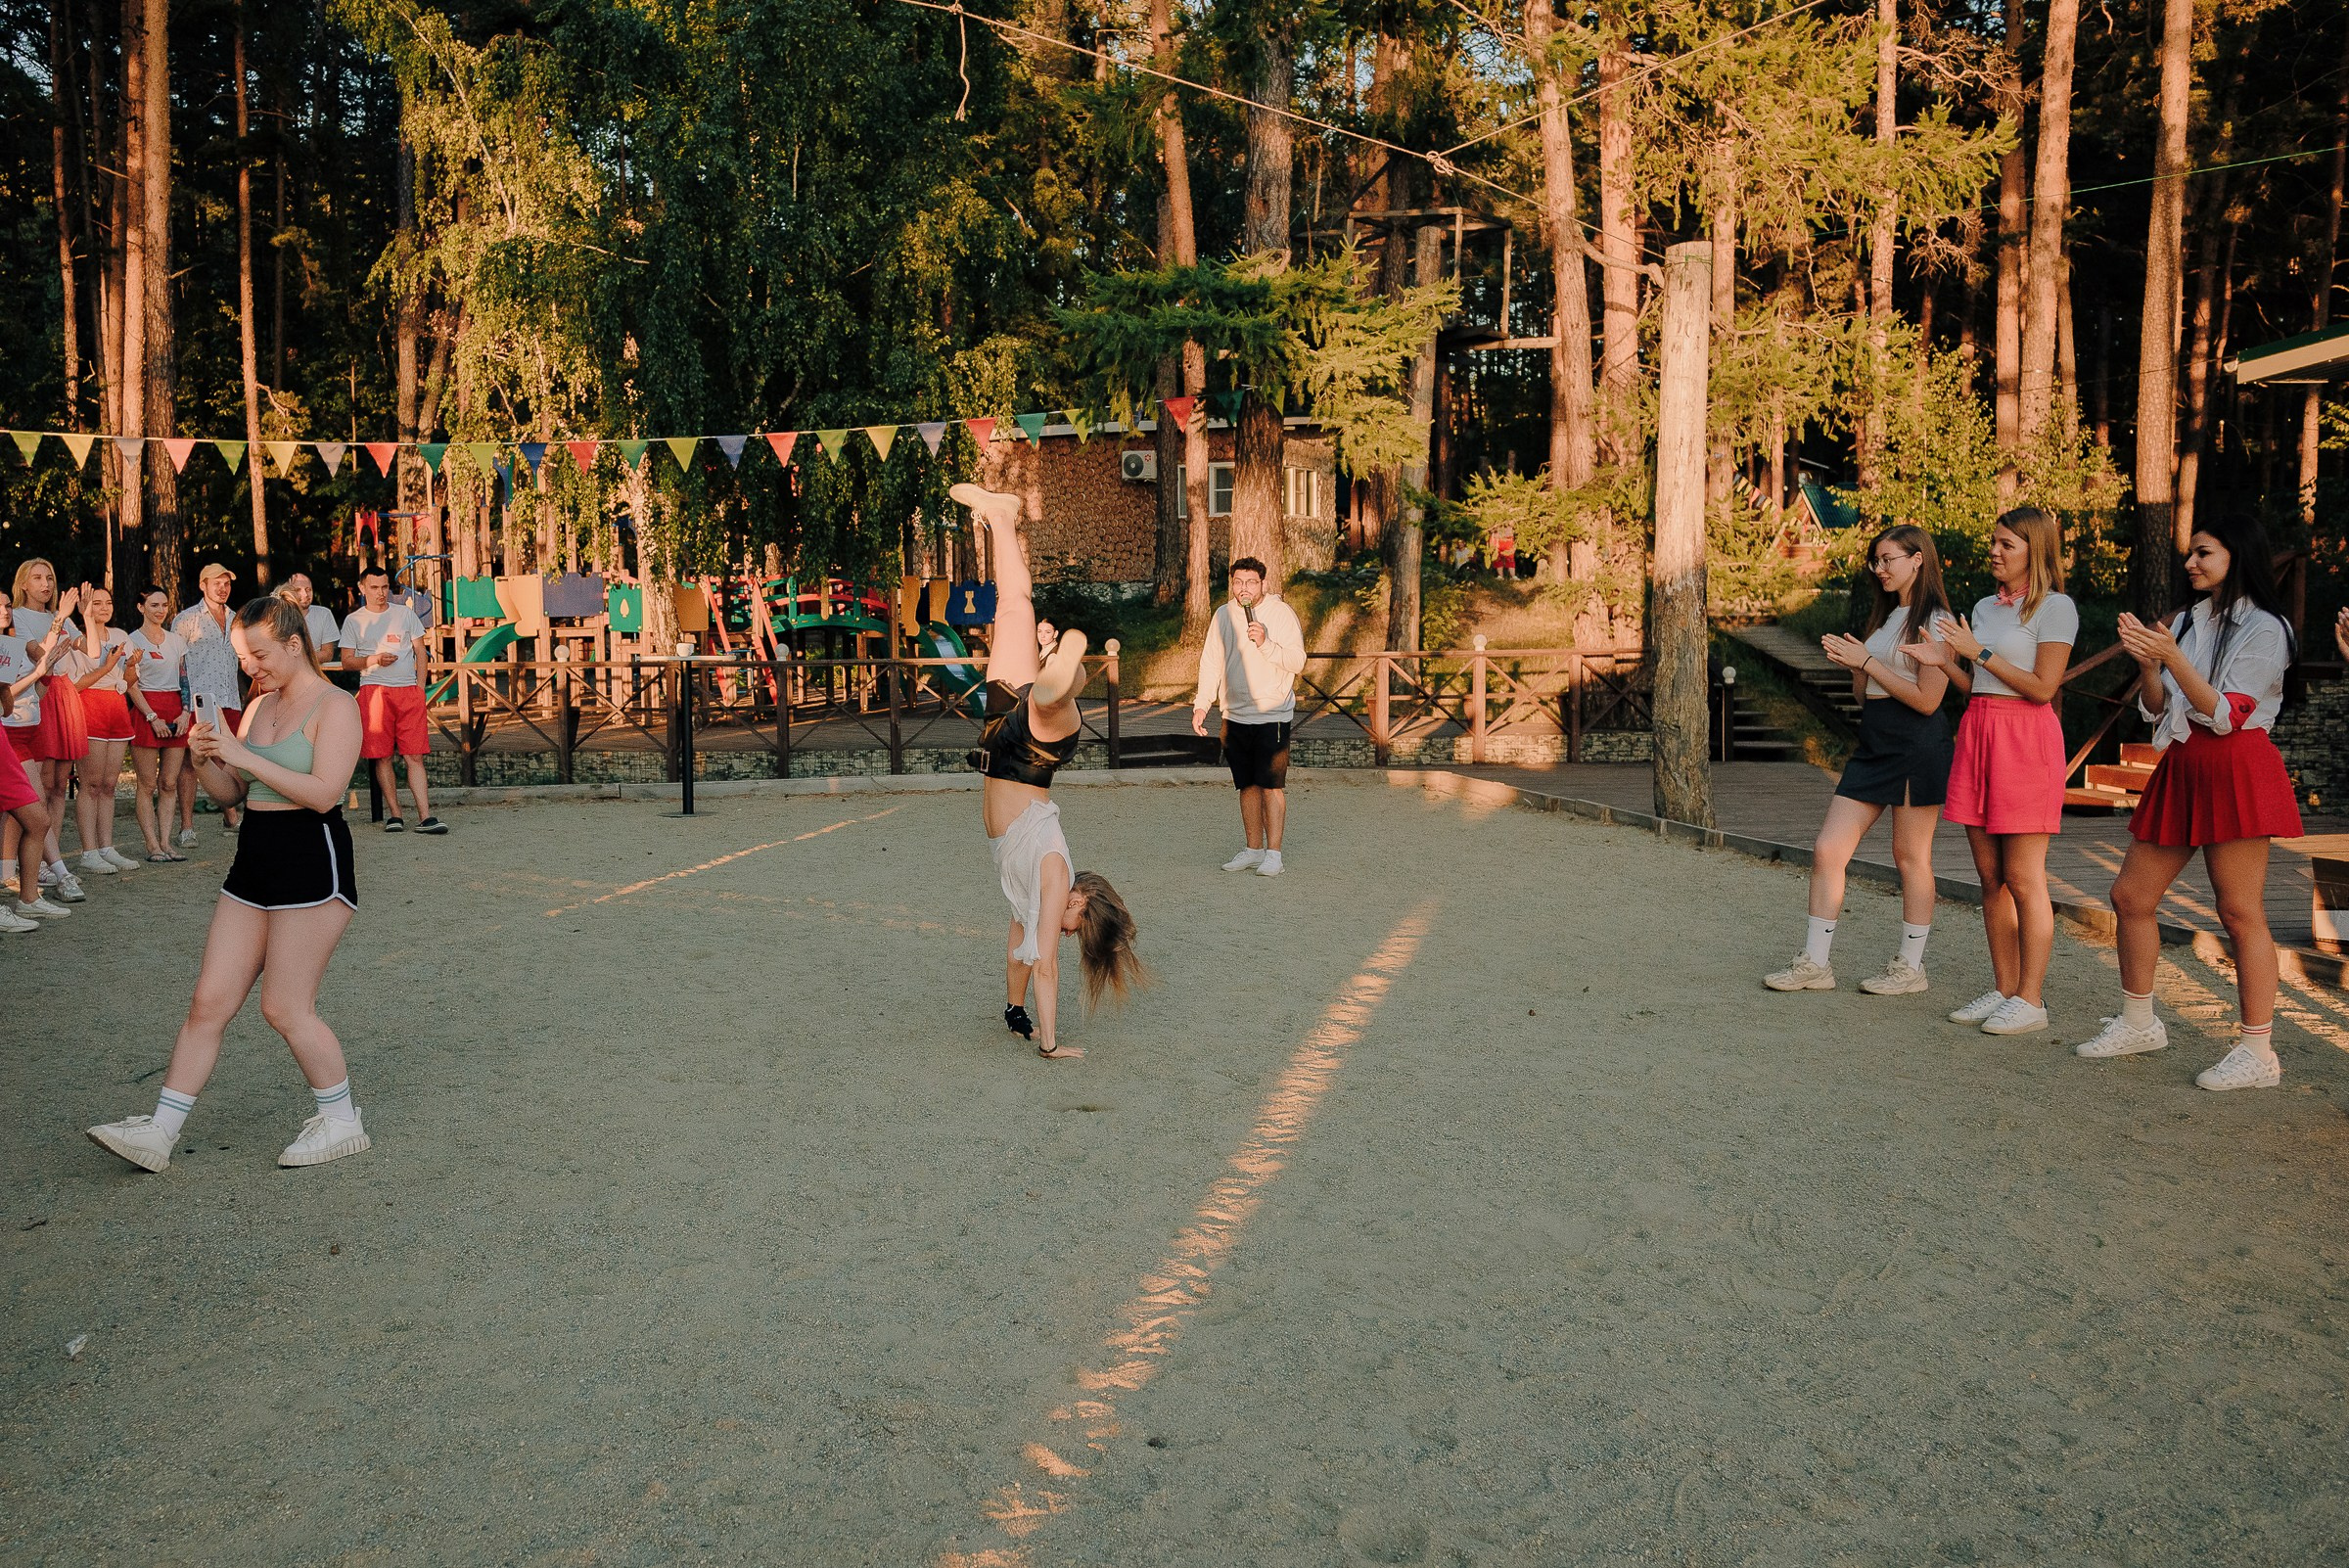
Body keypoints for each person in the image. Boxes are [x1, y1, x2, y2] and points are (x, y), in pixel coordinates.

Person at [87, 597, 372, 1173]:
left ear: (295, 644)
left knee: (285, 1006)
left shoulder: (337, 705)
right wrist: (209, 759)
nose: (251, 669)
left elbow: (324, 794)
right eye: (244, 658)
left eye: (259, 655)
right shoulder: (260, 704)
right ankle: (160, 1132)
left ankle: (342, 1119)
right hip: (254, 859)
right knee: (208, 1001)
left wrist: (243, 753)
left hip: (311, 858)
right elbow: (234, 795)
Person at [2074, 515, 2303, 1089]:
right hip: (2184, 763)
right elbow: (2158, 709)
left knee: (2239, 911)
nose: (2190, 564)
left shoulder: (2268, 628)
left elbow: (2228, 714)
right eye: (2190, 554)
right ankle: (2139, 1021)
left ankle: (2258, 1051)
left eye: (2203, 553)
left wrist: (2172, 656)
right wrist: (2150, 666)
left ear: (2238, 555)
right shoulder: (2188, 619)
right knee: (2130, 894)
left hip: (2237, 765)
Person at [950, 482, 1145, 1059]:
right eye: (1075, 925)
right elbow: (1048, 968)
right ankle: (1066, 672)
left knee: (1013, 608)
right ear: (1083, 902)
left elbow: (1020, 944)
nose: (1064, 930)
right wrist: (1051, 1044)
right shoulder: (1058, 876)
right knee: (1048, 705)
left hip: (999, 743)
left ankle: (1002, 519)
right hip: (1029, 759)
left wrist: (1015, 1013)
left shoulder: (1034, 896)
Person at [1911, 505, 2078, 1038]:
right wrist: (1947, 663)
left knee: (2025, 878)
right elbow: (1978, 685)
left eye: (2007, 544)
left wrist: (1975, 650)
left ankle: (2032, 999)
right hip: (1980, 731)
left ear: (2035, 548)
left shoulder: (2055, 608)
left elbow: (2042, 688)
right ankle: (2005, 987)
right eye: (1994, 542)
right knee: (1989, 877)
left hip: (2025, 738)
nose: (1995, 551)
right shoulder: (1984, 605)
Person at [1766, 526, 1954, 995]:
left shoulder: (1938, 619)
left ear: (1918, 560)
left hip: (1917, 744)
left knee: (1910, 857)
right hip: (1874, 743)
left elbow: (1929, 701)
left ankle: (1911, 969)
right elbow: (1868, 696)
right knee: (1829, 848)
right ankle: (1815, 963)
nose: (1881, 569)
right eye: (1876, 561)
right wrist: (1855, 667)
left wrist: (1869, 663)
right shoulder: (1890, 617)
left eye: (1888, 559)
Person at [1191, 556, 1307, 876]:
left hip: (1272, 713)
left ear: (1263, 584)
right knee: (1247, 785)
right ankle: (1253, 849)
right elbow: (1211, 663)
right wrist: (1202, 703)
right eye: (1239, 582)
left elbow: (1298, 661)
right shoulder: (1223, 615)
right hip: (1235, 714)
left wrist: (1266, 642)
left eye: (1251, 582)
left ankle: (1274, 855)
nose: (1244, 588)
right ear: (1232, 584)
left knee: (1270, 784)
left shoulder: (1281, 614)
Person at [340, 565, 444, 834]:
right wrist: (373, 659)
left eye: (385, 587)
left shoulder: (404, 614)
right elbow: (347, 661)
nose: (381, 593)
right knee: (382, 756)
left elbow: (421, 651)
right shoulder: (354, 620)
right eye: (374, 587)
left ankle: (426, 816)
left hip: (408, 690)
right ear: (362, 589)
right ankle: (395, 815)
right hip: (375, 690)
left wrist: (420, 688)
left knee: (415, 756)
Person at [11, 561, 90, 902]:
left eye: (50, 578)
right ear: (23, 584)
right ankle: (46, 867)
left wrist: (84, 615)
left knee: (57, 787)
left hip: (47, 701)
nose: (46, 583)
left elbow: (95, 651)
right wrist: (60, 619)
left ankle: (47, 861)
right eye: (38, 578)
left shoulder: (64, 616)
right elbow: (41, 654)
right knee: (34, 794)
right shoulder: (15, 615)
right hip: (27, 711)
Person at [60, 584, 142, 876]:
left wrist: (132, 665)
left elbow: (130, 680)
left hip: (117, 708)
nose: (104, 608)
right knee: (90, 783)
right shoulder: (75, 639)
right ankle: (88, 851)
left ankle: (107, 847)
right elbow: (75, 684)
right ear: (85, 607)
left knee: (109, 785)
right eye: (97, 603)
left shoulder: (121, 636)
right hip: (88, 705)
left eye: (108, 602)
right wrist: (106, 669)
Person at [0, 610, 69, 926]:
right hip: (9, 740)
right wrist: (36, 671)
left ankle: (29, 899)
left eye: (5, 604)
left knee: (38, 819)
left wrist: (44, 671)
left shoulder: (8, 647)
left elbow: (6, 704)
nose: (5, 610)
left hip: (8, 738)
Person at [172, 563, 246, 845]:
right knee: (193, 763)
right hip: (198, 701)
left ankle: (230, 814)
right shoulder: (187, 619)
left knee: (228, 759)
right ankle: (187, 827)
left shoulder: (236, 618)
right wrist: (183, 704)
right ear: (203, 585)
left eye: (227, 583)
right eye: (217, 583)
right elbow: (177, 664)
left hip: (229, 699)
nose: (223, 588)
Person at [124, 586, 192, 861]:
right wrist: (152, 717)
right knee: (147, 783)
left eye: (164, 604)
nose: (160, 610)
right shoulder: (131, 641)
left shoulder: (177, 641)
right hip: (146, 710)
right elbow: (131, 685)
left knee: (168, 782)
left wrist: (186, 711)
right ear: (141, 608)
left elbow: (185, 677)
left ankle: (166, 842)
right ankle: (151, 845)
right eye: (153, 605)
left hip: (175, 709)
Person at [279, 572, 342, 669]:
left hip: (314, 676)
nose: (305, 594)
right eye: (298, 590)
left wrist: (297, 659)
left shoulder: (324, 614)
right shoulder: (278, 616)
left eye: (308, 589)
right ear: (287, 592)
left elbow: (328, 654)